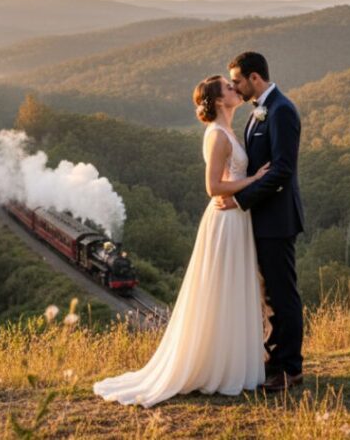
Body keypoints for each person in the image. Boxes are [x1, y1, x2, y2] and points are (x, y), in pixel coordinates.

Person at [93, 75, 269, 407]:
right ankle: (215, 366)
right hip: (225, 219)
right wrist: (254, 179)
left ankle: (232, 362)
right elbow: (213, 187)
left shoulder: (231, 130)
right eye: (229, 88)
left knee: (234, 288)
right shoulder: (217, 135)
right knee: (221, 289)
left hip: (237, 217)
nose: (235, 89)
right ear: (219, 101)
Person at [216, 51, 305, 391]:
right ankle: (275, 359)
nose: (234, 87)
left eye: (237, 80)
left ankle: (290, 368)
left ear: (255, 78)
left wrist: (240, 198)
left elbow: (283, 169)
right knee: (269, 295)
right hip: (261, 217)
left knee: (283, 295)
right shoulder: (258, 112)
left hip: (277, 219)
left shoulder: (281, 110)